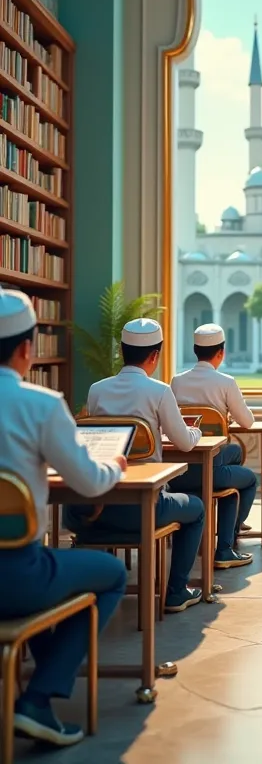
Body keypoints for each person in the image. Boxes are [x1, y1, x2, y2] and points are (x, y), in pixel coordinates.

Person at [0, 289, 127, 747]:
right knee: (111, 575)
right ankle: (39, 697)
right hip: (16, 574)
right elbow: (90, 483)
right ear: (27, 347)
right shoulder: (41, 405)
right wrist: (114, 465)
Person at [63, 318, 205, 613]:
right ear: (155, 355)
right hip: (144, 508)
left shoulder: (97, 390)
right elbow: (185, 443)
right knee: (197, 508)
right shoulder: (160, 391)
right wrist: (197, 431)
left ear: (122, 351)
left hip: (97, 505)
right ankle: (176, 591)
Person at [171, 323, 256, 568]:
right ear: (221, 353)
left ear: (195, 351)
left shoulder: (177, 382)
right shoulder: (226, 382)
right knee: (248, 480)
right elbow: (247, 422)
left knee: (236, 451)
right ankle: (228, 540)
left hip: (181, 471)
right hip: (211, 470)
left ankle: (223, 530)